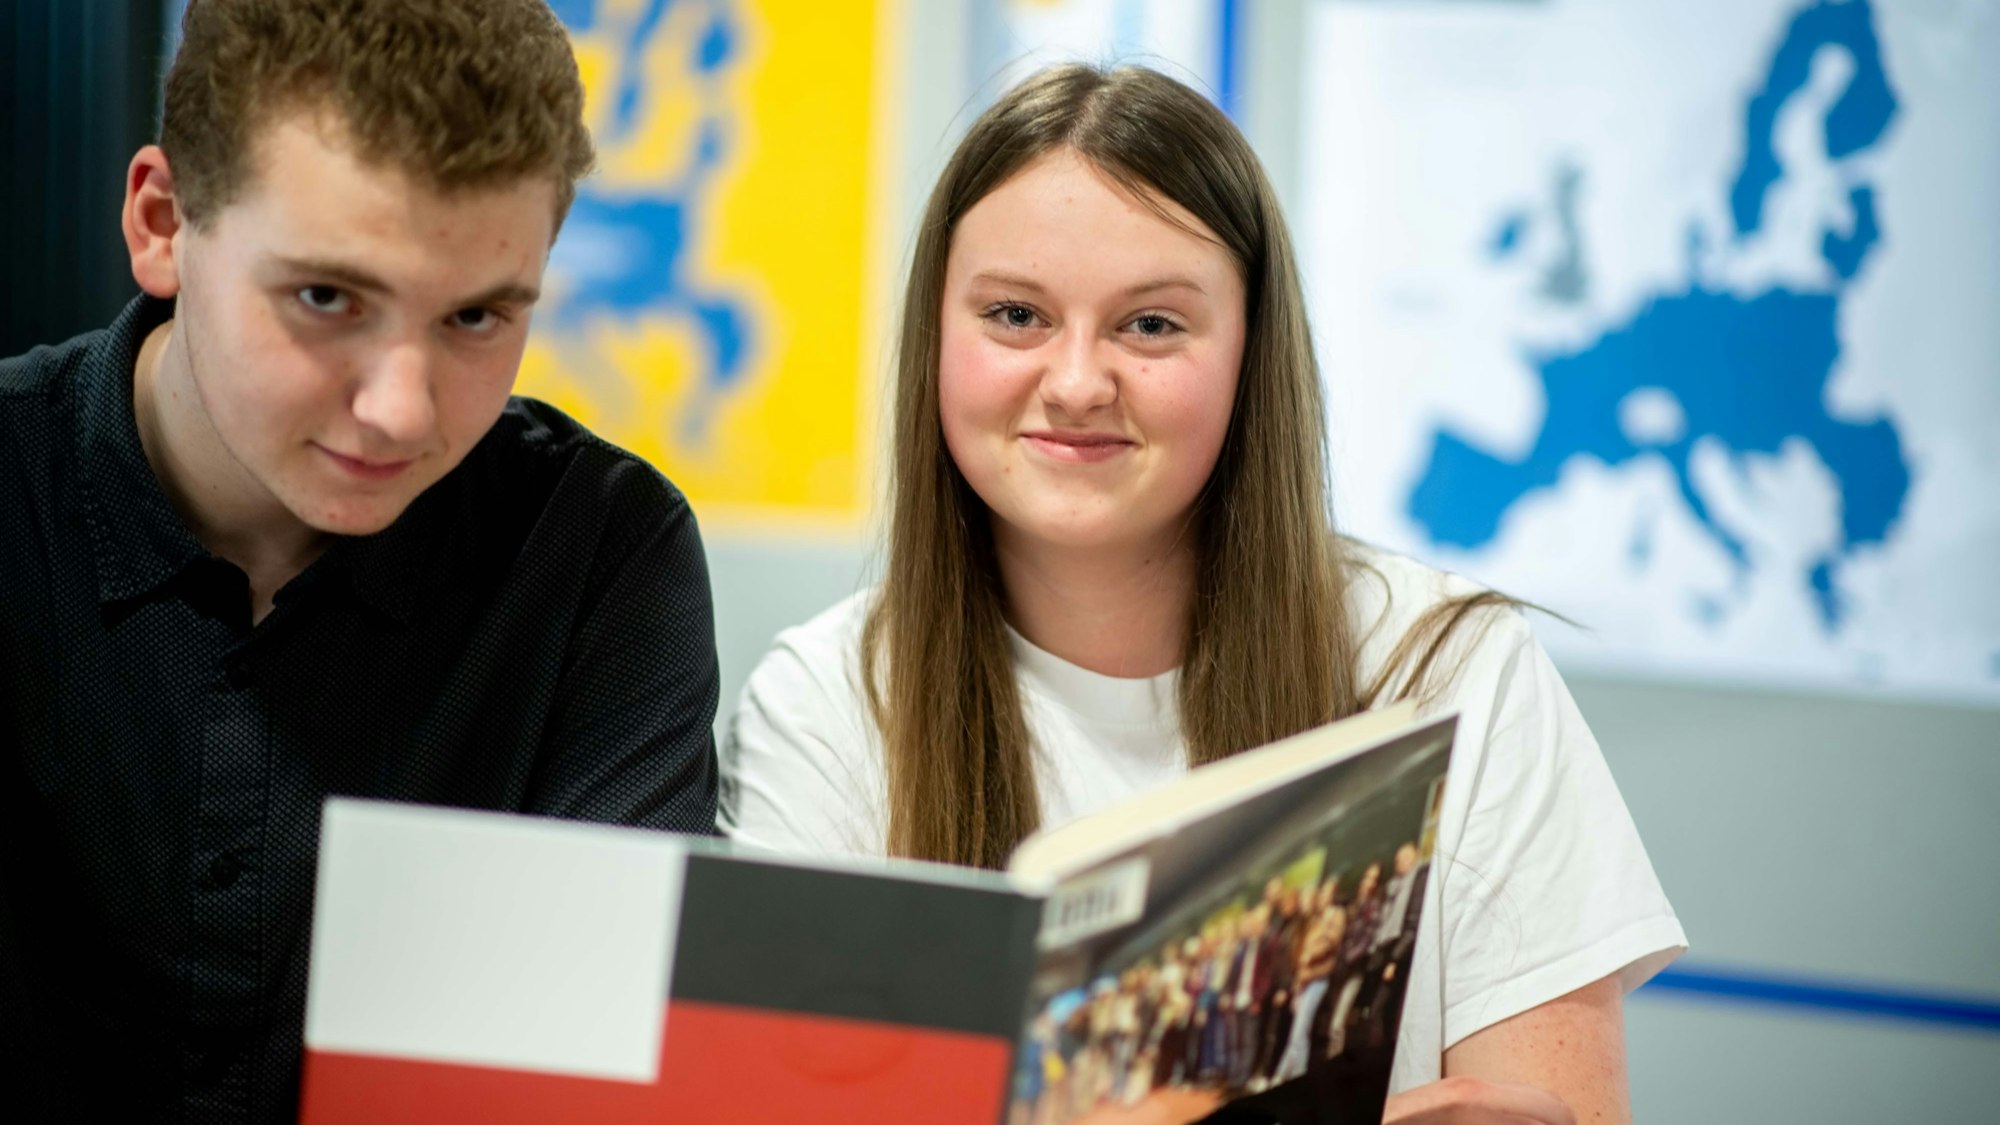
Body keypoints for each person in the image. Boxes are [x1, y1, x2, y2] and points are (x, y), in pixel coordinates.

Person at [721, 63, 1685, 1122]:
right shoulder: (827, 704)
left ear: (1248, 354)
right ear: (935, 338)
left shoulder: (1451, 670)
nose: (1079, 380)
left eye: (1151, 326)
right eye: (1014, 314)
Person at [0, 1, 719, 1119]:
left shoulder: (596, 557)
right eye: (326, 298)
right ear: (161, 221)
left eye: (476, 318)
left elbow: (597, 1087)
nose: (398, 411)